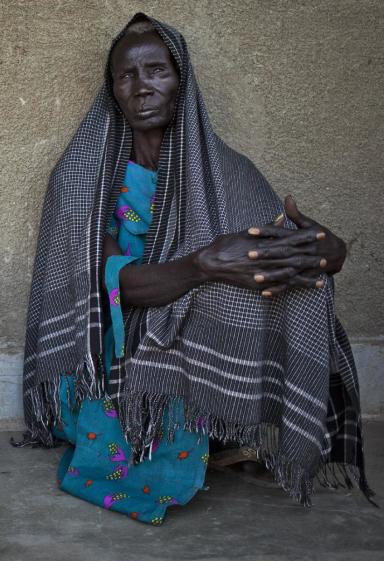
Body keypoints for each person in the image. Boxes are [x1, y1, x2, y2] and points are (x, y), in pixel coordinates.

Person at [21, 14, 372, 525]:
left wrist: (327, 252)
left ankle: (238, 424)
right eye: (126, 76)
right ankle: (175, 437)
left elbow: (292, 251)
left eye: (157, 71)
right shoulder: (85, 176)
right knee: (202, 288)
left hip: (191, 333)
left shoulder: (226, 172)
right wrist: (204, 265)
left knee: (295, 285)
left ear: (181, 81)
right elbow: (109, 288)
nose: (142, 88)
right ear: (112, 89)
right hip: (114, 343)